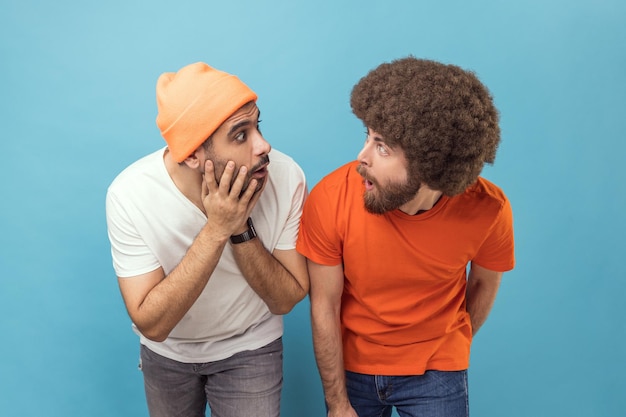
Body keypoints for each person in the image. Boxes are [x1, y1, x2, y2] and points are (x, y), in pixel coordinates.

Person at [296, 57, 515, 417]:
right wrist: (337, 403)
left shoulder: (488, 209)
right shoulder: (331, 198)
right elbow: (324, 305)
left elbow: (484, 285)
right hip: (351, 366)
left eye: (382, 147)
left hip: (437, 369)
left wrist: (448, 349)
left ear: (432, 165)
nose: (361, 157)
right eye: (367, 136)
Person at [105, 62, 309, 417]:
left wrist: (239, 226)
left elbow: (286, 299)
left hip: (251, 345)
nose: (264, 146)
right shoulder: (130, 194)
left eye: (257, 125)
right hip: (168, 353)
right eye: (241, 135)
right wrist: (216, 228)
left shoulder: (286, 177)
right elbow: (152, 324)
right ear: (193, 155)